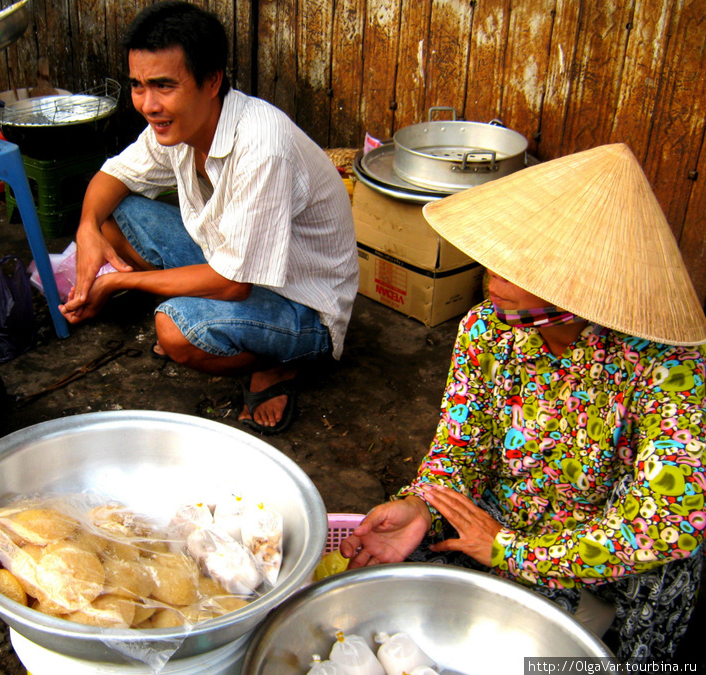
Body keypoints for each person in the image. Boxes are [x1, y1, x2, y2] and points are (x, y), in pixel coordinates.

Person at [340, 143, 706, 660]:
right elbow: (460, 447)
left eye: (518, 268)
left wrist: (514, 552)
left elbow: (665, 523)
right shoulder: (488, 329)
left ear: (580, 288)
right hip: (499, 525)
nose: (492, 279)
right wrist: (422, 503)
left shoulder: (671, 371)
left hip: (612, 567)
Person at [60, 1, 358, 435]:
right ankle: (199, 313)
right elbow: (113, 175)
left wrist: (116, 281)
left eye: (163, 85)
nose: (148, 104)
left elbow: (232, 284)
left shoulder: (262, 146)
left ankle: (280, 365)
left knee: (174, 331)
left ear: (212, 81)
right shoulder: (178, 125)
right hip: (234, 265)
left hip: (305, 307)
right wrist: (86, 231)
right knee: (109, 216)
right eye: (138, 86)